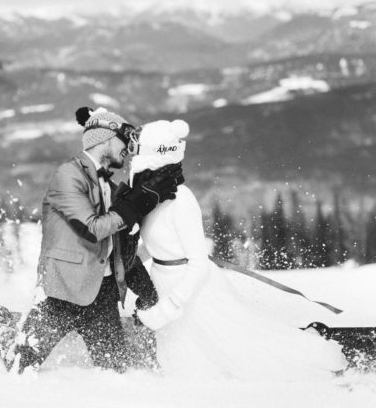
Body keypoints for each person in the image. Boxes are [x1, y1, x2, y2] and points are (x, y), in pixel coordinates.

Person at [130, 119, 344, 380]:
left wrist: (166, 309)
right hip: (165, 282)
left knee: (242, 349)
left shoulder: (180, 199)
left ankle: (320, 358)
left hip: (193, 292)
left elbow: (197, 263)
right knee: (185, 365)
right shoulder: (148, 197)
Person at [0, 107, 181, 373]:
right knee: (19, 366)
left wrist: (143, 286)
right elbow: (92, 229)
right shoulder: (68, 175)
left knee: (116, 372)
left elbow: (117, 242)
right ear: (105, 139)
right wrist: (137, 202)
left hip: (102, 294)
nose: (128, 149)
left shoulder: (111, 184)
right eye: (123, 140)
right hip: (61, 291)